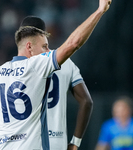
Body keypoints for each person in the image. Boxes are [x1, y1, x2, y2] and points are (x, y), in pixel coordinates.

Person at [0, 0, 112, 149]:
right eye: (45, 47)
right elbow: (73, 44)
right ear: (29, 47)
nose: (48, 51)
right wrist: (99, 11)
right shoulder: (36, 66)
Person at [20, 16, 93, 150]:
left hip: (25, 142)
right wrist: (75, 142)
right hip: (57, 142)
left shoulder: (15, 69)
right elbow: (86, 101)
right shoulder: (67, 63)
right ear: (44, 35)